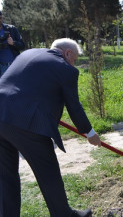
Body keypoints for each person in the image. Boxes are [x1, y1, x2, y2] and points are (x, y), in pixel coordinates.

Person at [0, 38, 101, 217]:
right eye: (75, 59)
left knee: (6, 175)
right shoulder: (64, 68)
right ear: (67, 53)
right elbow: (74, 106)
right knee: (48, 173)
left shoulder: (28, 53)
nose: (73, 63)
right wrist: (90, 133)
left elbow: (25, 86)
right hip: (26, 122)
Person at [0, 11, 25, 76]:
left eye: (0, 18)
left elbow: (22, 46)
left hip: (15, 65)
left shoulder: (11, 29)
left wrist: (13, 43)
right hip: (2, 68)